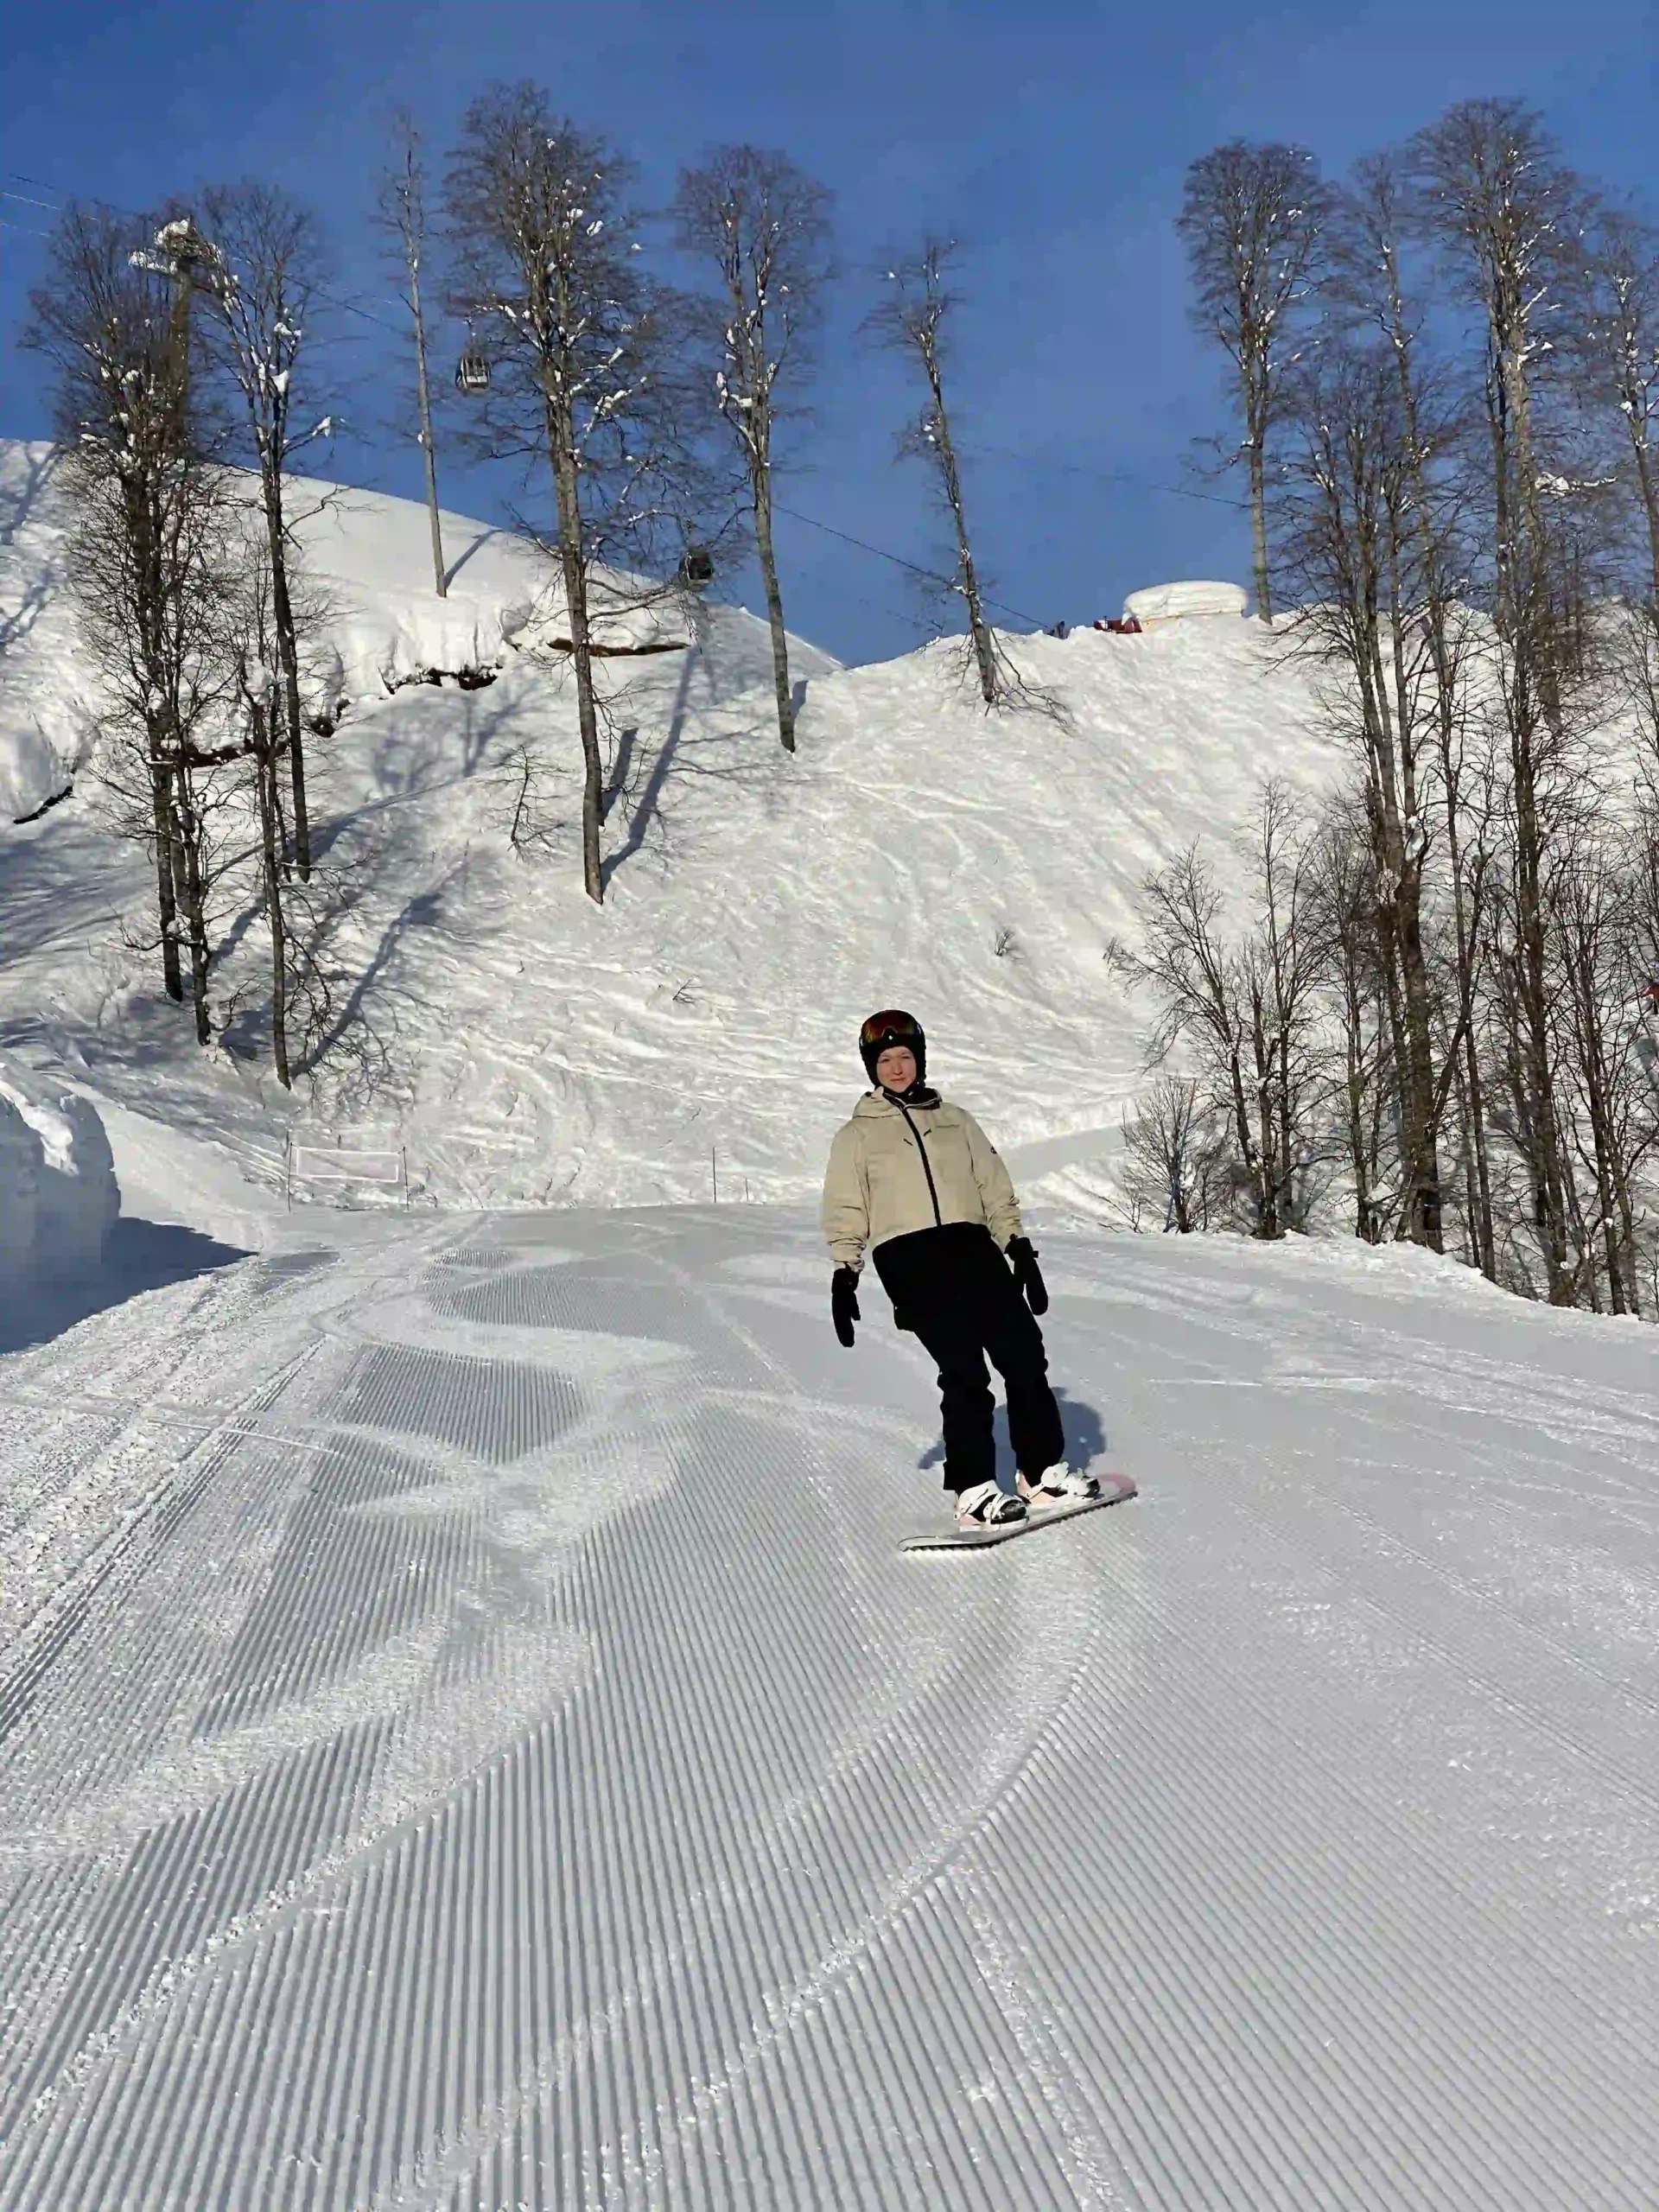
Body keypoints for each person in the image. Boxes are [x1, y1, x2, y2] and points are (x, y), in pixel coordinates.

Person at [821, 1008, 1100, 1534]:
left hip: (974, 1247)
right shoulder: (855, 1136)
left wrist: (1018, 1247)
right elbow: (846, 1206)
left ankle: (1041, 1473)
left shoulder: (957, 1121)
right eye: (886, 1060)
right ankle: (973, 1488)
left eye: (905, 1057)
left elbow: (993, 1185)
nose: (897, 1068)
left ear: (920, 1060)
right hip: (909, 1258)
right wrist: (845, 1272)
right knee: (964, 1370)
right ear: (871, 1068)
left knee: (1023, 1354)